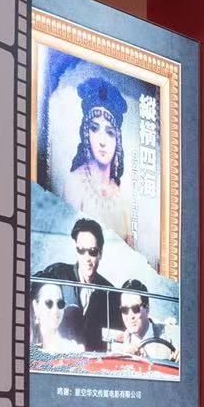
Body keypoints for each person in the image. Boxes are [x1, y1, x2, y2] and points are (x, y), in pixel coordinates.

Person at [58, 76, 132, 247]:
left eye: (110, 132)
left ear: (117, 141)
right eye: (94, 128)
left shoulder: (123, 198)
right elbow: (66, 246)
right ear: (86, 133)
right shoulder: (74, 183)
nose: (102, 141)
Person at [37, 218, 114, 351]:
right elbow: (29, 292)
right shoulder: (57, 274)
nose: (87, 258)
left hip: (91, 360)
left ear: (100, 253)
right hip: (57, 356)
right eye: (81, 250)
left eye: (92, 251)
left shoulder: (109, 293)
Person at [112, 280, 176, 360]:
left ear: (147, 309)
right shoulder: (116, 345)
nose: (130, 316)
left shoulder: (171, 335)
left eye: (136, 309)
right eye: (124, 310)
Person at [29, 279, 87, 353]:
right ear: (35, 307)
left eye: (60, 303)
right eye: (49, 303)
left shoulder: (72, 349)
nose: (55, 310)